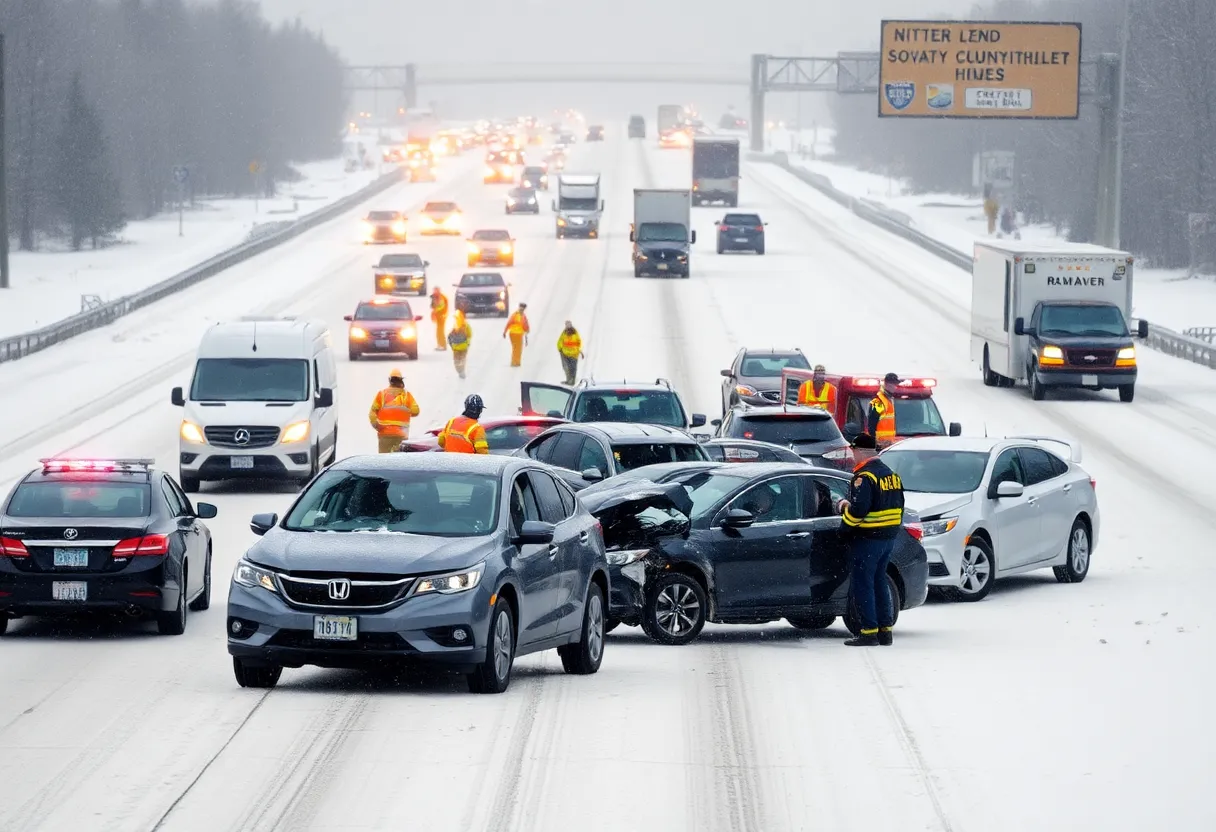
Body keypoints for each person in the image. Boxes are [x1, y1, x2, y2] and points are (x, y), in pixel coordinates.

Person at [836, 433, 904, 646]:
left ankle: (868, 632)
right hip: (888, 539)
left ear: (859, 451)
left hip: (868, 539)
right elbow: (898, 506)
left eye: (853, 452)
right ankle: (885, 631)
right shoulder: (891, 475)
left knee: (863, 584)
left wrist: (843, 527)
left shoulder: (864, 477)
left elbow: (858, 512)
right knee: (879, 582)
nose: (852, 456)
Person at [368, 369, 420, 453]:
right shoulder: (407, 396)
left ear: (390, 380)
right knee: (398, 462)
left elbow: (372, 412)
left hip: (384, 434)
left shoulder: (382, 394)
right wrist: (406, 411)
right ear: (401, 380)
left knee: (384, 461)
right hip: (401, 435)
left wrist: (376, 425)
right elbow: (416, 411)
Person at [866, 373, 900, 444]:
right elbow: (872, 422)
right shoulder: (879, 400)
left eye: (895, 384)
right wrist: (874, 440)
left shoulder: (888, 399)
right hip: (881, 443)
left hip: (889, 442)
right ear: (886, 384)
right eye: (893, 384)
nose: (895, 387)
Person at [557, 320, 585, 385]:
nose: (568, 328)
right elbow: (560, 341)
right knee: (566, 368)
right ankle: (569, 380)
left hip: (573, 355)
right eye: (567, 326)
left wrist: (577, 349)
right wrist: (560, 348)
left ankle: (572, 381)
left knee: (572, 369)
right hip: (565, 354)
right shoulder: (564, 333)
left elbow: (578, 342)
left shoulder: (575, 333)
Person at [503, 303, 530, 367]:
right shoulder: (522, 316)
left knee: (515, 347)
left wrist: (505, 331)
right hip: (518, 334)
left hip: (512, 333)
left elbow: (509, 323)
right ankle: (516, 362)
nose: (521, 310)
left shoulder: (514, 315)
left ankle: (515, 361)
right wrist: (527, 330)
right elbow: (525, 325)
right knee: (518, 348)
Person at [447, 310, 472, 378]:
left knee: (457, 361)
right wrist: (468, 343)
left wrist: (451, 345)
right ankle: (461, 371)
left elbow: (449, 336)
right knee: (462, 360)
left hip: (457, 347)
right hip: (462, 346)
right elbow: (469, 335)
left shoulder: (456, 326)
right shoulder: (465, 326)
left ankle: (460, 371)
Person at [430, 287, 448, 351]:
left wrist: (435, 311)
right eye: (434, 291)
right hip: (438, 316)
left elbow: (441, 307)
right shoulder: (435, 297)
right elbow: (433, 306)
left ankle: (443, 345)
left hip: (441, 316)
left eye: (435, 291)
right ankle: (440, 344)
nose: (434, 292)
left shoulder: (441, 298)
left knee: (440, 331)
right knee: (438, 331)